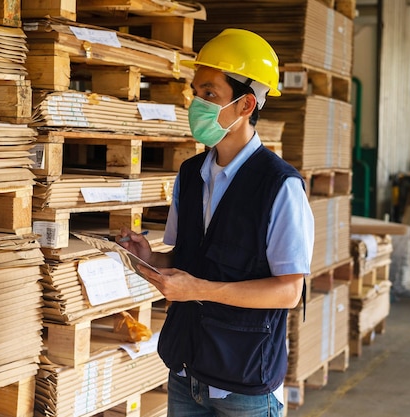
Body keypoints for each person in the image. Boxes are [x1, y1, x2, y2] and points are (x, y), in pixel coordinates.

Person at [119, 28, 314, 417]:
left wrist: (199, 289)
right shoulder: (191, 174)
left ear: (245, 105)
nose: (197, 104)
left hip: (244, 380)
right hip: (187, 370)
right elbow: (186, 261)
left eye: (210, 94)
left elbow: (288, 292)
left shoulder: (280, 186)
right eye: (197, 92)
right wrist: (148, 259)